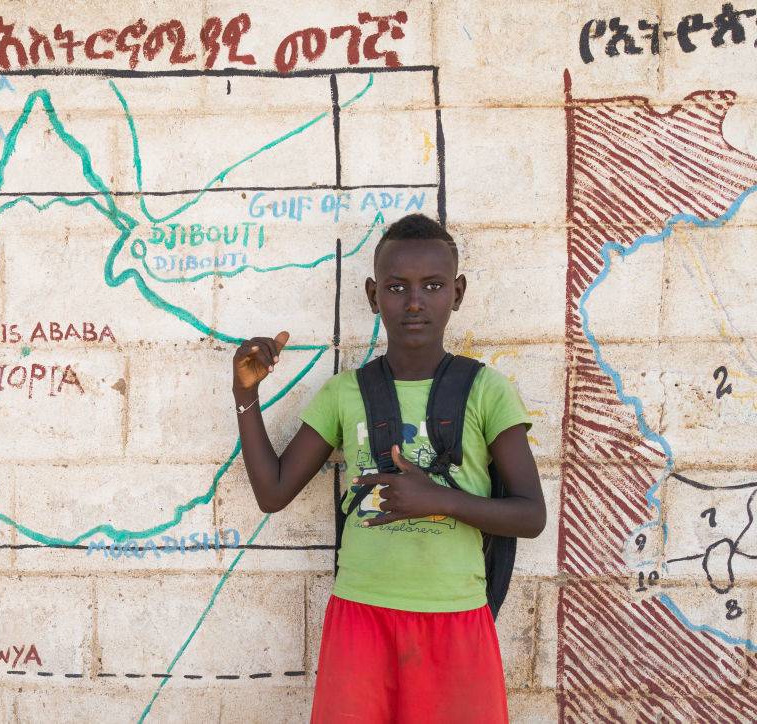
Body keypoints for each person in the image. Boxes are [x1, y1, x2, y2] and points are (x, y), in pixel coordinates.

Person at [230, 212, 546, 723]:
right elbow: (273, 492)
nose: (415, 302)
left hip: (455, 617)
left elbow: (531, 515)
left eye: (433, 286)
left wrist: (437, 499)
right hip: (362, 615)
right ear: (374, 296)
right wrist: (246, 394)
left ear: (458, 293)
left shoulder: (486, 390)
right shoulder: (346, 393)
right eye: (397, 287)